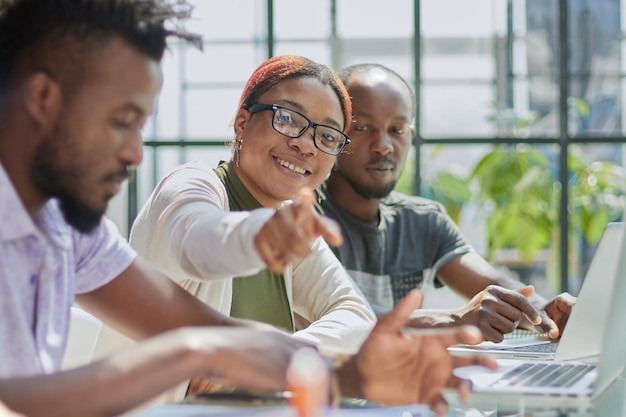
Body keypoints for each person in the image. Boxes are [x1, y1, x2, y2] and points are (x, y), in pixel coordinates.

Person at [0, 1, 496, 416]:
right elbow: (199, 239)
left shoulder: (67, 232)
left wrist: (350, 374)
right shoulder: (197, 190)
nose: (134, 153)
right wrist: (250, 247)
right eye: (121, 121)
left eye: (325, 135)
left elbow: (223, 333)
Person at [129, 55, 376, 355]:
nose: (306, 145)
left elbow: (356, 316)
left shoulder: (285, 219)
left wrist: (264, 355)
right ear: (242, 123)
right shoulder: (191, 185)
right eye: (287, 118)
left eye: (326, 135)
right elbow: (197, 238)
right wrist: (259, 236)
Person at [317, 63, 576, 343]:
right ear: (333, 134)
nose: (384, 145)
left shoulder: (422, 220)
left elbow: (495, 283)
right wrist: (453, 320)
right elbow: (338, 318)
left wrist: (541, 310)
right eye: (363, 127)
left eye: (397, 129)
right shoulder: (301, 219)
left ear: (411, 137)